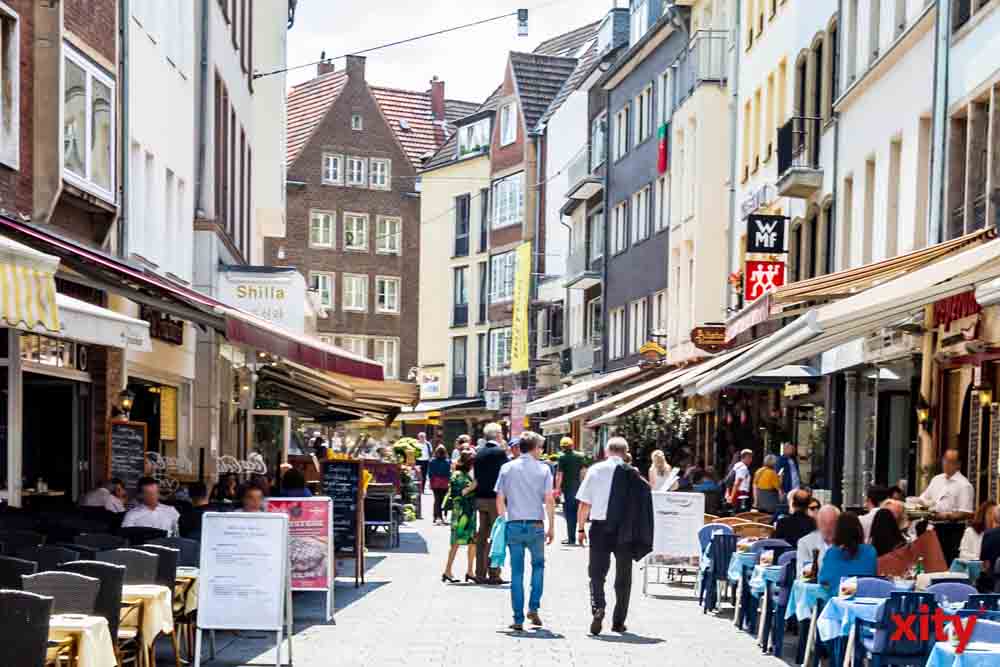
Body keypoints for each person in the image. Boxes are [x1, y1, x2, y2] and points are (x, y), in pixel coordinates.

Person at [576, 437, 641, 636]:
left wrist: (580, 528)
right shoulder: (633, 473)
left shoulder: (595, 470)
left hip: (600, 527)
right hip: (625, 530)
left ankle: (598, 607)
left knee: (596, 572)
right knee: (623, 577)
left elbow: (584, 503)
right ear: (626, 452)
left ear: (607, 451)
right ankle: (618, 622)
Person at [495, 432, 555, 632]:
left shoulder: (507, 468)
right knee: (538, 566)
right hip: (536, 524)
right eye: (540, 448)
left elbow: (500, 499)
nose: (541, 451)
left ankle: (518, 618)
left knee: (517, 572)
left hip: (513, 524)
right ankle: (534, 606)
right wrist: (552, 525)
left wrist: (503, 520)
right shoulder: (544, 469)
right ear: (534, 448)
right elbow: (549, 499)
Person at [919, 449, 975, 563]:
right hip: (932, 527)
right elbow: (924, 499)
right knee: (930, 564)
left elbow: (967, 513)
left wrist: (944, 516)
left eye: (950, 461)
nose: (946, 464)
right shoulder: (936, 479)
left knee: (945, 563)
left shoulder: (964, 485)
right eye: (945, 460)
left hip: (951, 531)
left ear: (958, 464)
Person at [473, 423, 509, 584]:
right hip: (496, 500)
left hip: (480, 499)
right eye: (501, 433)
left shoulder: (479, 453)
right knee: (497, 536)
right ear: (497, 435)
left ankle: (479, 573)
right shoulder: (500, 453)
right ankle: (494, 573)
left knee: (482, 537)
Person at [818, 512, 877, 594]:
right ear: (859, 529)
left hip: (836, 601)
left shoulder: (831, 553)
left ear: (837, 530)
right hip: (864, 600)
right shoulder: (870, 551)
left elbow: (823, 582)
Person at [442, 451, 478, 584]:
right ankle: (447, 570)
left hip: (468, 512)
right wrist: (472, 486)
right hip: (461, 513)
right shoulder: (458, 476)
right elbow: (459, 493)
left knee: (472, 542)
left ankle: (470, 571)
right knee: (456, 543)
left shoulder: (462, 474)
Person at [555, 437, 585, 545]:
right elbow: (583, 472)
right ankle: (581, 534)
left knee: (569, 513)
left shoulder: (562, 458)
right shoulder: (580, 456)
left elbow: (559, 475)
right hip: (579, 488)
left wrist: (557, 489)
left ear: (562, 447)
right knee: (581, 511)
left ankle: (571, 538)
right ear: (572, 445)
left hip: (567, 490)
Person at [797, 504, 840, 577]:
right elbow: (802, 575)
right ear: (818, 523)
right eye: (824, 523)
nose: (828, 528)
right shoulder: (805, 543)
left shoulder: (847, 543)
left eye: (832, 523)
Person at [428, 445, 452, 525]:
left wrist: (431, 482)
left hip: (435, 482)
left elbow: (430, 473)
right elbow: (449, 473)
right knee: (443, 500)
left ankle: (436, 517)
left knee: (437, 500)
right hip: (444, 482)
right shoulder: (448, 461)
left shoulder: (432, 461)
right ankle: (443, 516)